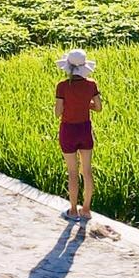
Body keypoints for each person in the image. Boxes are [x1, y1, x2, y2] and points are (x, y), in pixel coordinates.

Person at [54, 49, 104, 221]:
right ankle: (87, 209)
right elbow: (98, 107)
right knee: (87, 171)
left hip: (68, 130)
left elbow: (57, 112)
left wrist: (70, 105)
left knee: (73, 173)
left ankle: (73, 210)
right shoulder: (91, 84)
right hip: (84, 129)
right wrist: (85, 104)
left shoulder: (62, 86)